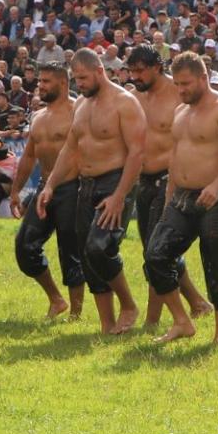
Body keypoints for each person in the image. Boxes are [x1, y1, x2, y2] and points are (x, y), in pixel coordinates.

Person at [140, 53, 218, 344]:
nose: (181, 90)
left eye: (186, 84)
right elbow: (175, 157)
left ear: (203, 78)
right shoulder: (180, 111)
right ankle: (182, 322)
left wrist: (217, 184)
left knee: (216, 265)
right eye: (177, 84)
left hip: (216, 198)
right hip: (181, 199)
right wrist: (168, 200)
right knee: (155, 255)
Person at [38, 48, 144, 334]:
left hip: (115, 181)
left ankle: (129, 304)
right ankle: (107, 324)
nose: (79, 84)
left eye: (83, 78)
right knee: (86, 255)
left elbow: (137, 153)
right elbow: (70, 149)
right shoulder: (82, 106)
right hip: (85, 184)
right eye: (76, 79)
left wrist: (120, 196)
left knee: (100, 248)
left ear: (100, 71)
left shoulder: (125, 103)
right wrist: (50, 184)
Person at [125, 45, 211, 324]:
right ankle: (198, 303)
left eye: (140, 71)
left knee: (155, 250)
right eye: (131, 71)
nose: (135, 76)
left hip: (170, 178)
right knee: (156, 250)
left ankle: (152, 321)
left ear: (156, 67)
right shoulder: (134, 98)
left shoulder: (178, 94)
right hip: (144, 180)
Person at [9, 63, 84, 320]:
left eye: (46, 81)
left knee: (69, 249)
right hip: (44, 188)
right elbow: (29, 155)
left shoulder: (78, 111)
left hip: (72, 187)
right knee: (25, 246)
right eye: (39, 81)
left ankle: (76, 313)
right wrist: (15, 190)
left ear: (63, 83)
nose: (40, 85)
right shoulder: (38, 117)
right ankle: (56, 299)